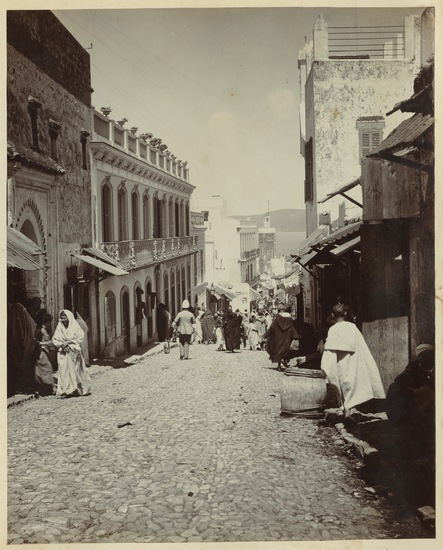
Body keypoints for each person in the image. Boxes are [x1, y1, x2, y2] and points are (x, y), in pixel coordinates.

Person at [320, 303, 385, 416]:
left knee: (341, 381)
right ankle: (349, 408)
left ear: (332, 315)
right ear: (345, 314)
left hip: (339, 360)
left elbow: (329, 350)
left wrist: (327, 365)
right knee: (351, 382)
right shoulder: (352, 327)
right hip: (352, 359)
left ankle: (346, 407)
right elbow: (361, 346)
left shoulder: (333, 329)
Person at [52, 309, 91, 398]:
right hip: (63, 353)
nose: (63, 320)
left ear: (69, 318)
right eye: (61, 318)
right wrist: (62, 345)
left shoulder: (75, 327)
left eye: (65, 318)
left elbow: (80, 338)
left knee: (75, 372)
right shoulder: (59, 327)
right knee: (63, 372)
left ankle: (75, 389)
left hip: (73, 352)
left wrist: (69, 342)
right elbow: (55, 339)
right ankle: (65, 391)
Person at [8, 301, 38, 395]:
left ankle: (20, 387)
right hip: (28, 345)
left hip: (22, 346)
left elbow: (18, 334)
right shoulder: (26, 317)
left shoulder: (16, 311)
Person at [263, 304, 299, 370]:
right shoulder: (290, 318)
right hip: (287, 336)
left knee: (278, 349)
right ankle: (284, 361)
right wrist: (296, 335)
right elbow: (292, 327)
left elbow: (272, 327)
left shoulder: (277, 318)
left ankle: (279, 365)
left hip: (278, 336)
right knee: (285, 349)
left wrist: (265, 335)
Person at [34, 312, 57, 396]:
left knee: (43, 370)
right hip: (42, 353)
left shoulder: (40, 329)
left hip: (43, 352)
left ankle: (47, 388)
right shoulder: (42, 330)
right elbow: (47, 342)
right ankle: (52, 388)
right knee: (46, 369)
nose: (49, 324)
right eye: (48, 322)